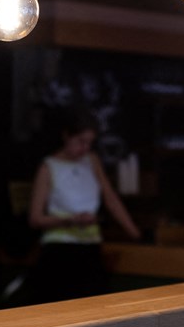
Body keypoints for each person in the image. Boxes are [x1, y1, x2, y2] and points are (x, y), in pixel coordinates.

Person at [28, 112, 140, 303]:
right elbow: (35, 218)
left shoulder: (91, 160)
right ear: (66, 136)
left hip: (90, 247)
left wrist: (135, 234)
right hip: (60, 250)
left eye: (89, 143)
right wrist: (70, 220)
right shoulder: (49, 167)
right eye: (80, 141)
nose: (84, 148)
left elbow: (110, 199)